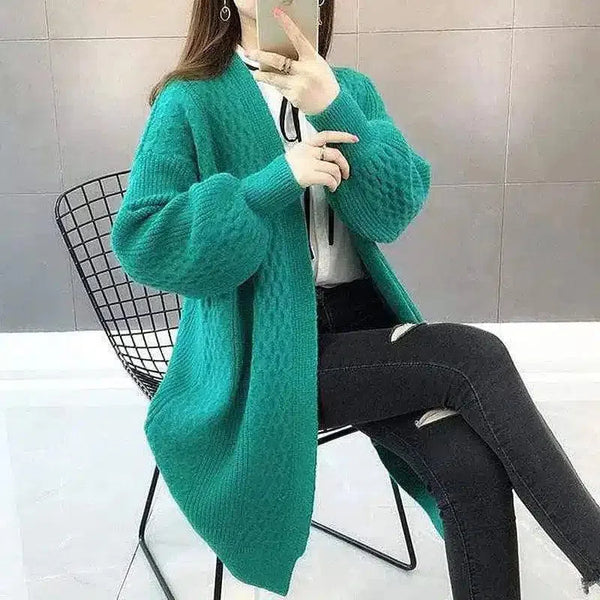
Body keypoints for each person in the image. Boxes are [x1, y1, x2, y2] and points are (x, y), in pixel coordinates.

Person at [110, 0, 600, 597]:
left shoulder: (350, 91)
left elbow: (391, 213)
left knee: (467, 465)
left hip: (362, 329)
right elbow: (145, 242)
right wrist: (272, 183)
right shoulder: (190, 100)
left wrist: (332, 103)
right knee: (474, 356)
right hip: (266, 352)